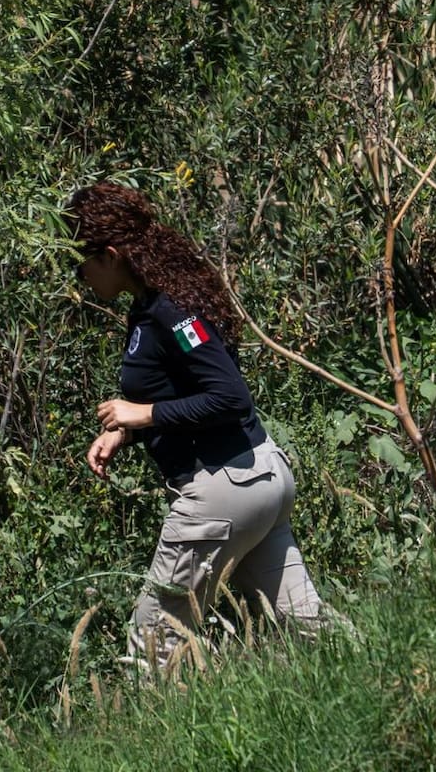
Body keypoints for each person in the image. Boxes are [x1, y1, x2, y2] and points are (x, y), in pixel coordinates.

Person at [65, 181, 325, 668]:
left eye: (80, 260)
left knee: (155, 640)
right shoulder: (151, 307)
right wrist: (124, 429)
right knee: (309, 627)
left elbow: (229, 396)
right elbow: (177, 387)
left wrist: (143, 414)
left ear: (112, 253)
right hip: (259, 477)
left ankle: (153, 739)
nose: (78, 275)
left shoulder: (171, 309)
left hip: (223, 488)